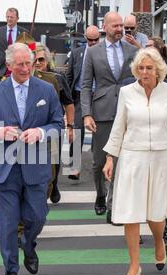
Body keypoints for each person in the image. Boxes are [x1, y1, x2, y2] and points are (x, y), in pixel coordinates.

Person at [0, 43, 63, 275]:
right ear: (9, 66)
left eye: (30, 63)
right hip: (6, 167)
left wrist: (40, 132)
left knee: (38, 216)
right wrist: (0, 132)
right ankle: (10, 271)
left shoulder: (46, 90)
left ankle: (28, 242)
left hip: (36, 166)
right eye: (21, 64)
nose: (26, 68)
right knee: (6, 223)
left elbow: (58, 124)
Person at [103, 47, 167, 275]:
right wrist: (110, 157)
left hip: (161, 157)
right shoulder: (126, 92)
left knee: (156, 213)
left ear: (158, 69)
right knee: (131, 214)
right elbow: (119, 126)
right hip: (132, 158)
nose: (144, 72)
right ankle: (134, 266)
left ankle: (159, 240)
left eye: (149, 68)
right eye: (140, 68)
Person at [80, 12, 138, 220]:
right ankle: (100, 194)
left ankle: (114, 204)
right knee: (99, 161)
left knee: (122, 160)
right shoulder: (93, 52)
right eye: (115, 26)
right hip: (102, 112)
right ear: (105, 26)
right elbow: (86, 85)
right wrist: (86, 114)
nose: (119, 29)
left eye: (121, 25)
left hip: (127, 111)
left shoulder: (132, 50)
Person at [34, 43, 75, 204]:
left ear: (47, 60)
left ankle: (54, 183)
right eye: (34, 60)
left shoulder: (57, 78)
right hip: (34, 128)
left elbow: (69, 104)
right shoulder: (27, 79)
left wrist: (70, 126)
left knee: (54, 161)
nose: (38, 63)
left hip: (54, 127)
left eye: (41, 59)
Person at [65, 25, 100, 181]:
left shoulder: (105, 54)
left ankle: (101, 164)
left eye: (96, 39)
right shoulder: (76, 53)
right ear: (85, 38)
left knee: (100, 131)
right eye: (90, 39)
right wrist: (66, 99)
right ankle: (75, 167)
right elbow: (69, 77)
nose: (93, 42)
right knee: (78, 130)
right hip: (79, 96)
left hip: (99, 96)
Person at [0, 7, 28, 78]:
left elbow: (28, 50)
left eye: (11, 17)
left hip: (18, 68)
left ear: (17, 18)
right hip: (1, 70)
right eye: (7, 17)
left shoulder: (24, 33)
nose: (9, 19)